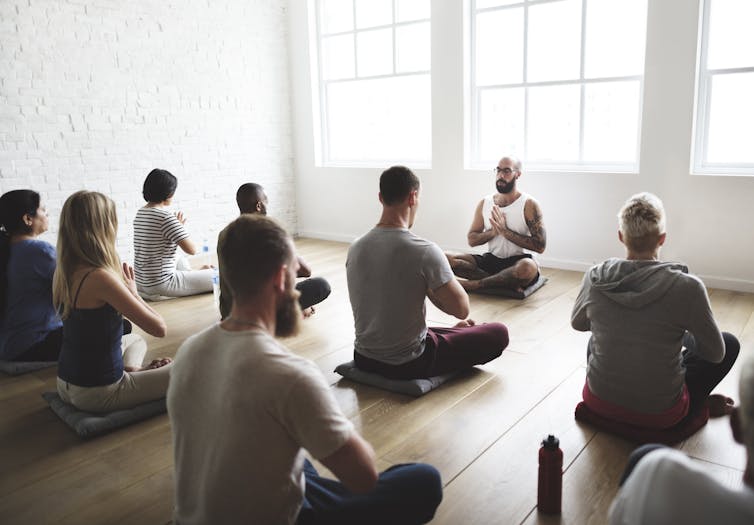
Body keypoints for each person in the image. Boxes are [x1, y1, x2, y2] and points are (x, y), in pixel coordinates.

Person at [167, 214, 443, 524]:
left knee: (291, 452)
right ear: (280, 278)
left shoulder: (188, 351)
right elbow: (363, 478)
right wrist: (330, 418)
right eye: (295, 277)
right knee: (423, 480)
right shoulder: (290, 376)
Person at [571, 192, 739, 430]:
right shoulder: (688, 286)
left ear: (621, 236)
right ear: (662, 239)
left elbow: (578, 323)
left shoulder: (595, 276)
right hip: (660, 415)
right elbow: (715, 354)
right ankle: (696, 402)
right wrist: (674, 333)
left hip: (598, 402)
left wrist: (621, 323)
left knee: (596, 341)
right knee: (729, 343)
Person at [346, 165, 508, 380]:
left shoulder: (355, 247)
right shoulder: (424, 251)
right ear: (413, 197)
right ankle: (455, 336)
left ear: (380, 197)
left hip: (363, 357)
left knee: (439, 331)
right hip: (408, 363)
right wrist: (437, 273)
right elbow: (461, 310)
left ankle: (453, 335)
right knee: (498, 332)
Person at [53, 191, 172, 412]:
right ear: (103, 226)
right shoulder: (101, 277)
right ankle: (131, 377)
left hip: (65, 383)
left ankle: (132, 370)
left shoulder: (63, 271)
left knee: (135, 340)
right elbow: (159, 329)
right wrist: (135, 294)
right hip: (99, 393)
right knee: (191, 368)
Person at [609, 352, 754, 524]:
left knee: (644, 454)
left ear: (736, 426)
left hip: (602, 396)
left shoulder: (662, 474)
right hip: (663, 407)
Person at [220, 182, 331, 318]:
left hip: (228, 310)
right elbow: (305, 270)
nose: (268, 205)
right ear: (259, 205)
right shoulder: (267, 232)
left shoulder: (224, 233)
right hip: (259, 312)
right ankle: (288, 313)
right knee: (321, 286)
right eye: (266, 201)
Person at [446, 156, 546, 293]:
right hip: (491, 260)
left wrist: (506, 232)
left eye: (506, 171)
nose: (501, 175)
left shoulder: (529, 204)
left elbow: (540, 246)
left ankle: (474, 285)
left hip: (519, 262)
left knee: (527, 268)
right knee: (445, 258)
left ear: (518, 174)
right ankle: (502, 282)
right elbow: (472, 239)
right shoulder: (485, 202)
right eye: (498, 170)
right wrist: (493, 232)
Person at [0, 190, 63, 362]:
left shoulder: (7, 248)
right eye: (43, 209)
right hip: (31, 346)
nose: (47, 213)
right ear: (28, 219)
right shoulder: (40, 251)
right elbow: (73, 290)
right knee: (119, 327)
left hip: (7, 345)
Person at [133, 168, 214, 299]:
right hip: (161, 284)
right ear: (167, 193)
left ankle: (193, 274)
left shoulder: (140, 213)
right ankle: (196, 276)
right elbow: (192, 250)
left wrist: (177, 228)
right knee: (219, 276)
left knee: (180, 259)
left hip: (141, 282)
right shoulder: (165, 217)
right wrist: (180, 228)